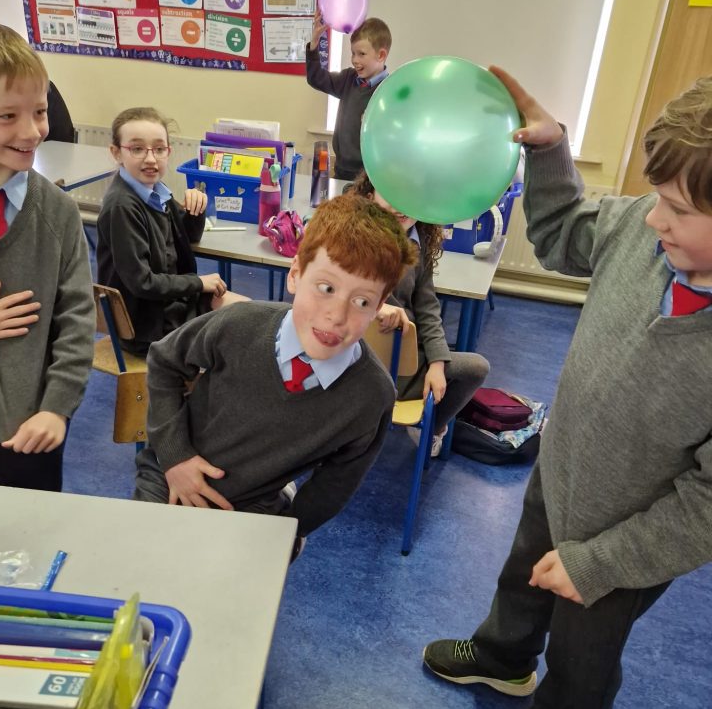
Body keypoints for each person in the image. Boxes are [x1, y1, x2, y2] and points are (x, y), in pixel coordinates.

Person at [422, 66, 712, 709]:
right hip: (562, 470)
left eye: (678, 209)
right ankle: (503, 655)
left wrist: (598, 563)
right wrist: (549, 150)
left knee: (586, 650)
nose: (654, 219)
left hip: (626, 537)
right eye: (656, 197)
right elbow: (558, 234)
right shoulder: (639, 232)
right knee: (523, 572)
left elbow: (706, 508)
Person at [134, 194, 417, 555]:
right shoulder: (239, 324)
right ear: (295, 274)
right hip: (171, 475)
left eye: (362, 301)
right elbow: (164, 361)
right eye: (326, 288)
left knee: (234, 584)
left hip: (254, 505)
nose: (337, 315)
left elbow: (337, 483)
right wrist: (175, 457)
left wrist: (289, 530)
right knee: (146, 564)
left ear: (380, 305)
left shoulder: (372, 395)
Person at [0, 15, 94, 490]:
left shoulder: (58, 212)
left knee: (30, 530)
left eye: (40, 111)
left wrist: (57, 408)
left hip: (32, 425)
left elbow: (77, 319)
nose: (32, 131)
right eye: (8, 116)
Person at [349, 172, 489, 456]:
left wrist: (437, 363)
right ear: (369, 197)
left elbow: (428, 308)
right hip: (354, 364)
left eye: (410, 198)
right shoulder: (350, 238)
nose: (401, 206)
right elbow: (335, 291)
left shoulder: (418, 245)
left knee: (476, 367)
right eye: (392, 194)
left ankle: (432, 427)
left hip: (404, 367)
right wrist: (372, 306)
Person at [96, 106, 248, 356]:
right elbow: (143, 283)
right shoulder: (122, 206)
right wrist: (198, 283)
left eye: (159, 149)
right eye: (137, 149)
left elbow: (188, 238)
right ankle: (193, 378)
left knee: (250, 314)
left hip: (170, 302)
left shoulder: (155, 190)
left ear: (168, 151)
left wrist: (196, 210)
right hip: (147, 324)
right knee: (240, 335)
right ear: (116, 153)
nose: (151, 159)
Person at [306, 15, 391, 181]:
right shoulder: (348, 79)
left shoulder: (388, 91)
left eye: (361, 54)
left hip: (369, 178)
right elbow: (316, 78)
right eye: (353, 53)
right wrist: (314, 44)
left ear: (381, 55)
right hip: (341, 172)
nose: (355, 60)